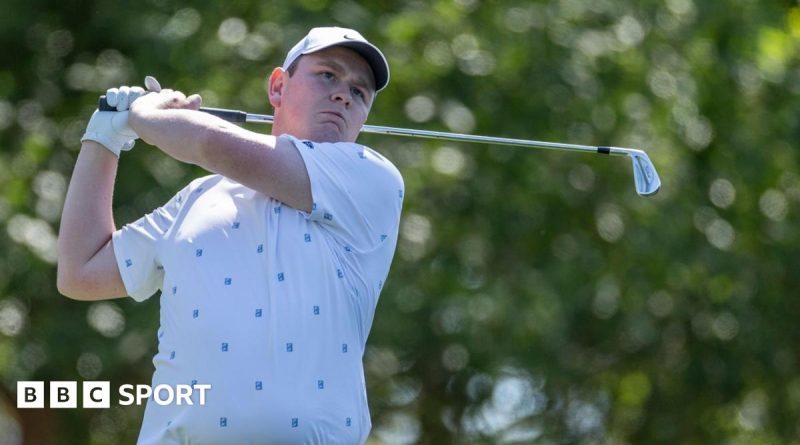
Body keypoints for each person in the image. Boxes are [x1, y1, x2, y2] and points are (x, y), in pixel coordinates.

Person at [57, 26, 404, 444]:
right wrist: (103, 137)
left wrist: (144, 114)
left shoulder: (372, 179)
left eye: (360, 92)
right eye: (328, 75)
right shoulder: (197, 198)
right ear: (278, 87)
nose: (344, 94)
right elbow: (80, 271)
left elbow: (206, 143)